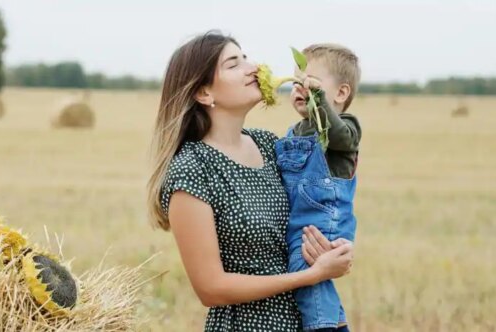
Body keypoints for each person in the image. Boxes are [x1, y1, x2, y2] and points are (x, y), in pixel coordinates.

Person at [146, 31, 354, 331]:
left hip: (310, 321)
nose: (252, 67)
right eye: (233, 63)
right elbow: (211, 289)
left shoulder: (271, 145)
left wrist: (335, 246)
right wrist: (311, 275)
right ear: (204, 93)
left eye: (246, 57)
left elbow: (316, 206)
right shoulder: (192, 169)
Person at [279, 43, 362, 331]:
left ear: (340, 93)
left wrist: (318, 101)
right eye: (296, 82)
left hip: (325, 225)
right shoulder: (292, 133)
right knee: (313, 283)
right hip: (299, 226)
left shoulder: (346, 129)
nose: (300, 88)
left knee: (310, 277)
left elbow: (337, 133)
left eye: (311, 82)